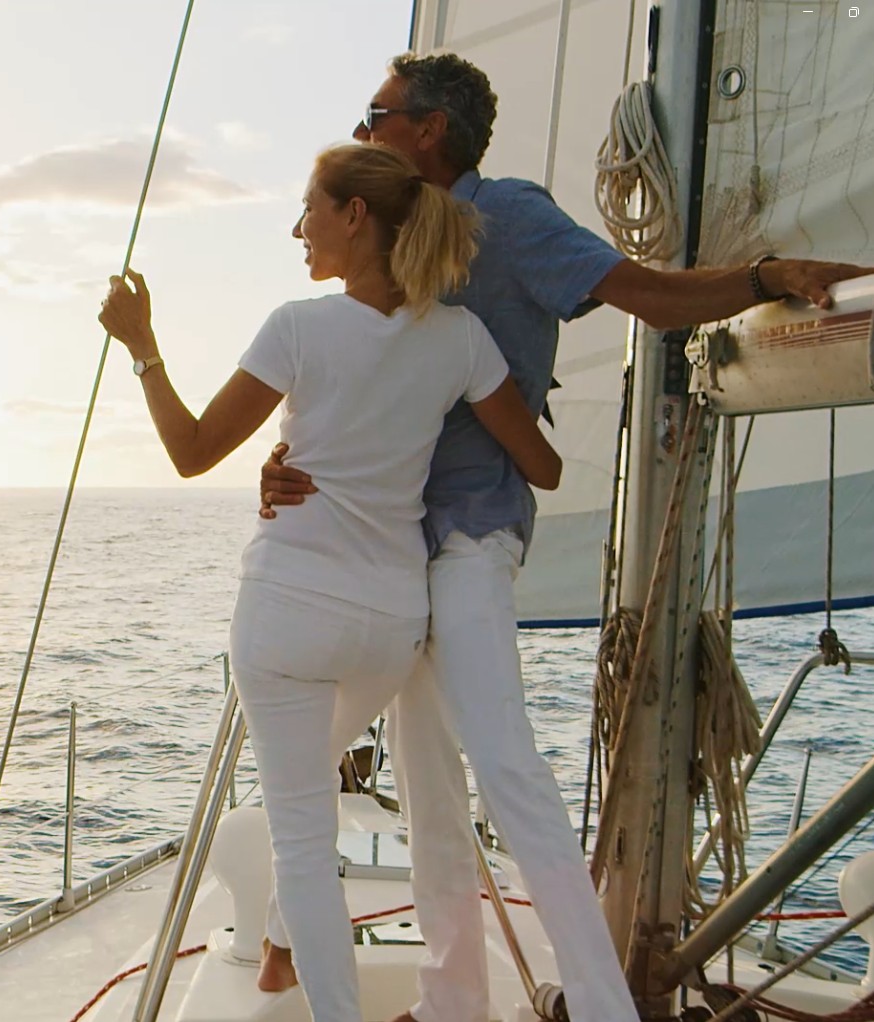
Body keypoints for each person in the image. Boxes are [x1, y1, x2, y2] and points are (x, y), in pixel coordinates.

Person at [254, 53, 874, 1022]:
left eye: (376, 115)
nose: (363, 131)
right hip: (392, 548)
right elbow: (348, 387)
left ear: (429, 130)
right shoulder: (393, 239)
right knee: (428, 787)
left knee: (504, 766)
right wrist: (283, 461)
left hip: (468, 533)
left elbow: (649, 298)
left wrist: (761, 276)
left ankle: (600, 1006)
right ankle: (451, 1000)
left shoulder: (507, 216)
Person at [98, 141, 562, 1022]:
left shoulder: (297, 327)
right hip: (390, 627)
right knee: (307, 791)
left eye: (309, 210)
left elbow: (191, 452)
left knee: (303, 839)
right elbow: (543, 466)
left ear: (355, 216)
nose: (298, 229)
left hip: (289, 615)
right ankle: (278, 956)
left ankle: (309, 981)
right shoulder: (461, 339)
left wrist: (143, 347)